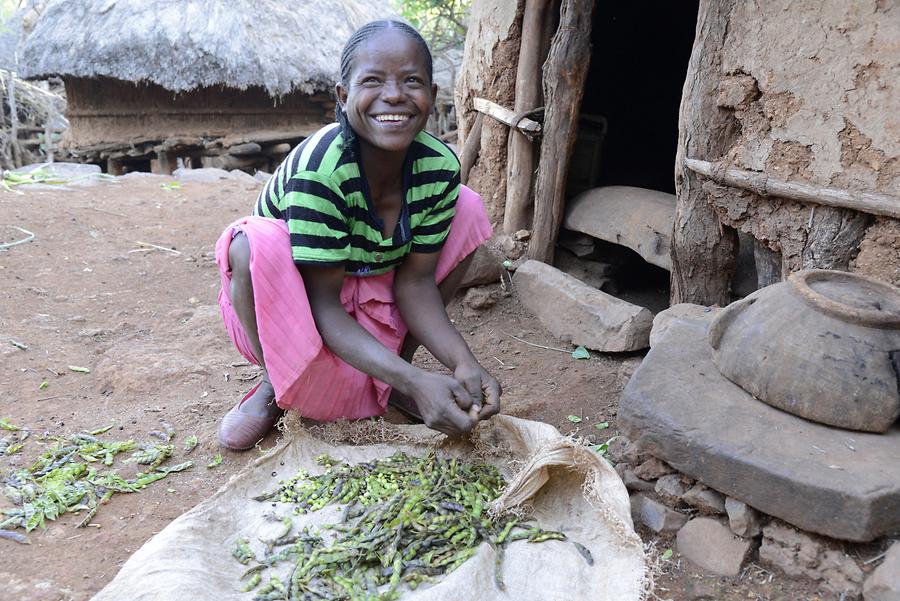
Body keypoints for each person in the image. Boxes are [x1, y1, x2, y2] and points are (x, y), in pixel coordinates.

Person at [214, 20, 501, 450]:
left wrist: (464, 364)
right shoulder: (322, 171)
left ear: (432, 97)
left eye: (411, 81)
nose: (394, 95)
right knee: (251, 243)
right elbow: (323, 304)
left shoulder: (439, 167)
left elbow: (416, 282)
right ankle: (274, 383)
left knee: (468, 208)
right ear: (343, 97)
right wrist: (419, 379)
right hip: (297, 301)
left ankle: (394, 380)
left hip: (373, 285)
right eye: (373, 81)